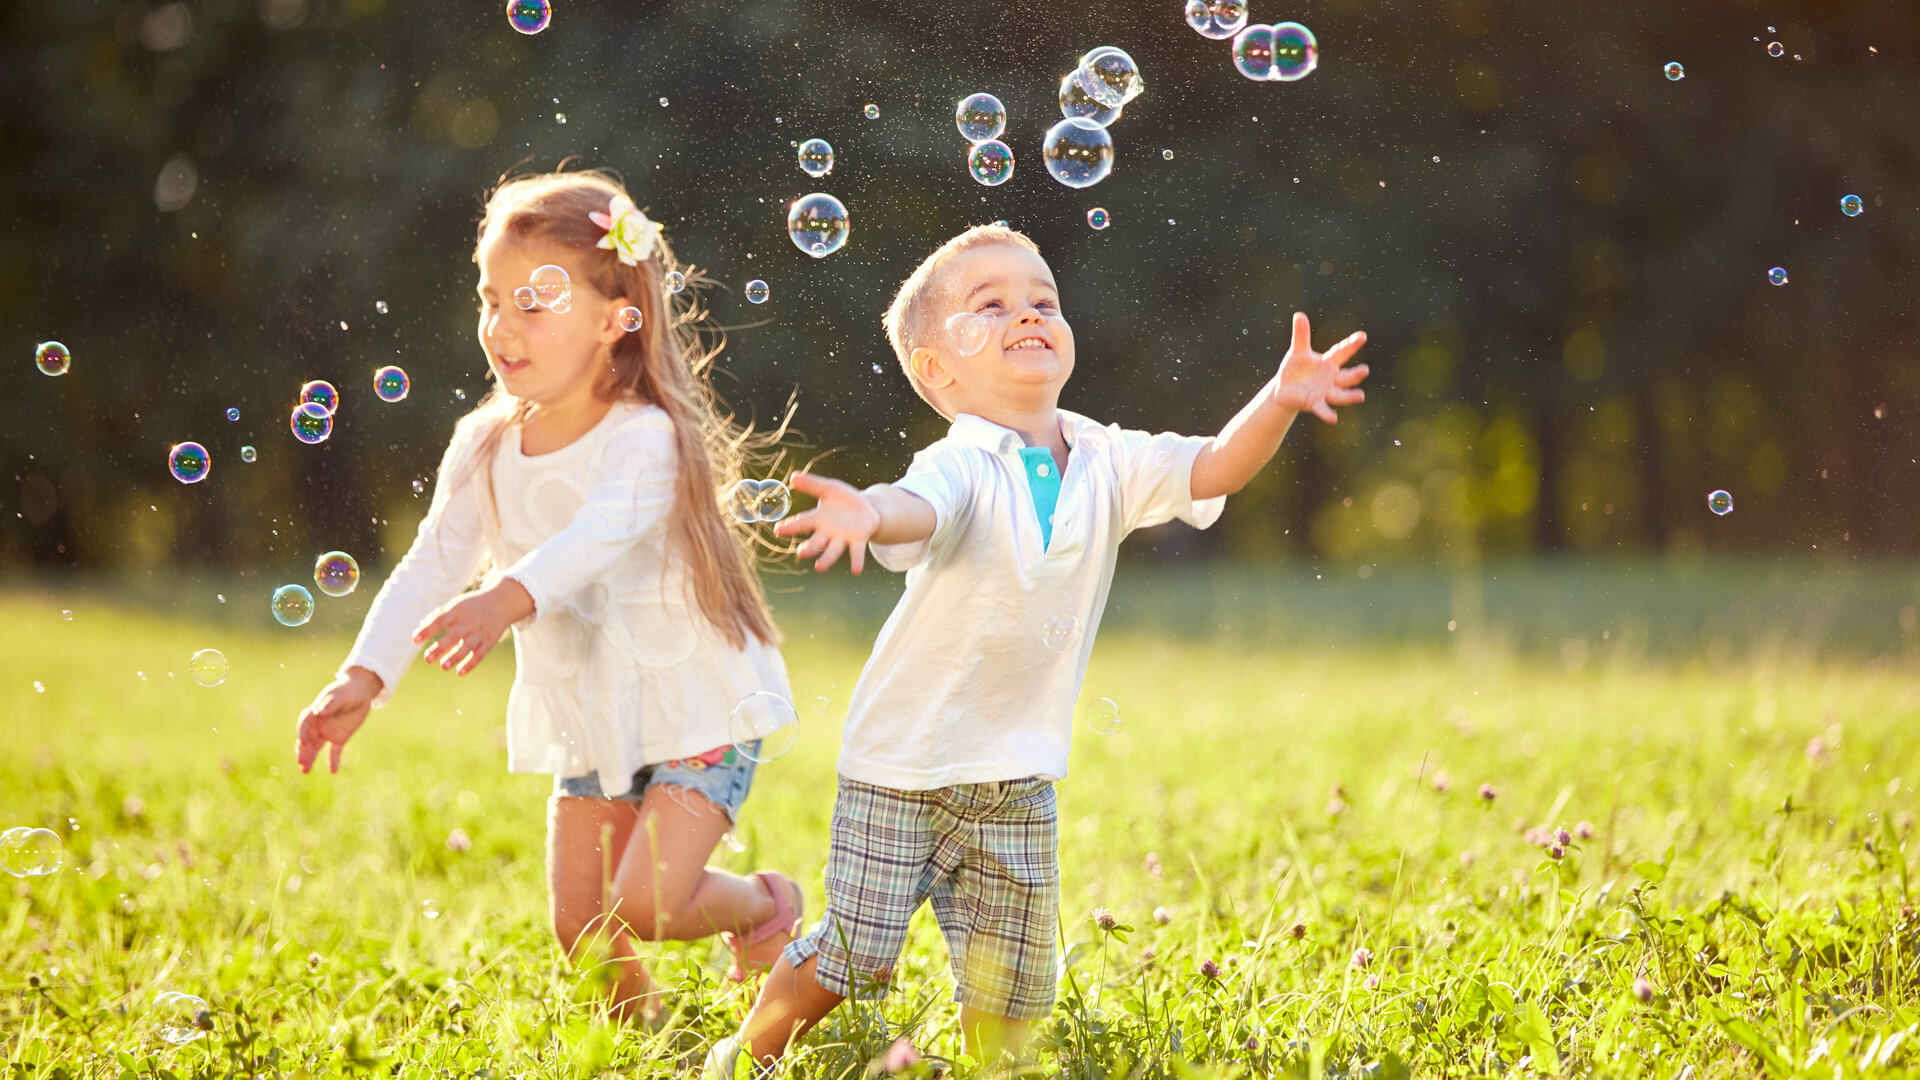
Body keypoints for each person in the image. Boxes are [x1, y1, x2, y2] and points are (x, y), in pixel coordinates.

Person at [706, 223, 1369, 1075]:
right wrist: (868, 513)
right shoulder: (960, 463)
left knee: (1012, 985)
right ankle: (742, 1052)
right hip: (903, 765)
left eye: (1043, 300)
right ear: (940, 371)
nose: (1028, 313)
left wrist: (1276, 400)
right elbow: (915, 505)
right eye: (992, 304)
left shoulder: (1107, 457)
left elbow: (1212, 468)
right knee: (855, 958)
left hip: (1018, 771)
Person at [294, 169, 804, 1025]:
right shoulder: (483, 443)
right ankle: (652, 1045)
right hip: (592, 714)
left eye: (533, 302)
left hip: (695, 704)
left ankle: (763, 908)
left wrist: (506, 598)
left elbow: (597, 535)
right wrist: (364, 676)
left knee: (646, 902)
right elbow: (428, 563)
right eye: (490, 299)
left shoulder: (648, 438)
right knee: (581, 923)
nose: (500, 325)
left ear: (614, 320)